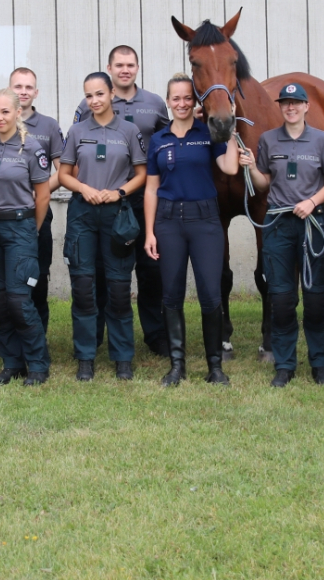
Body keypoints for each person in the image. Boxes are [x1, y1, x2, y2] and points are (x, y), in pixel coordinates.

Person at [143, 74, 240, 386]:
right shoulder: (158, 139)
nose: (182, 103)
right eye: (176, 98)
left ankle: (215, 367)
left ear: (194, 101)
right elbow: (151, 189)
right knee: (171, 295)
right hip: (168, 222)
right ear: (168, 101)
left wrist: (230, 130)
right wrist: (150, 232)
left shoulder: (207, 133)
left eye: (187, 98)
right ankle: (177, 366)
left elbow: (230, 167)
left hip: (205, 221)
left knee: (210, 294)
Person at [72, 46, 169, 357]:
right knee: (103, 272)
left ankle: (155, 335)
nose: (125, 69)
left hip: (144, 200)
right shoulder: (88, 104)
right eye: (119, 65)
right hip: (105, 203)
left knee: (150, 270)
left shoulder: (155, 103)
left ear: (137, 67)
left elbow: (167, 141)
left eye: (130, 65)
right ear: (110, 68)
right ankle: (96, 336)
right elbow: (76, 153)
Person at [239, 83, 324, 388]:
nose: (290, 108)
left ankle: (320, 364)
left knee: (315, 298)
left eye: (296, 103)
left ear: (306, 106)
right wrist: (252, 168)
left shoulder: (322, 139)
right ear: (280, 107)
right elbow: (264, 183)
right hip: (279, 224)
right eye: (285, 103)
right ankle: (284, 365)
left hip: (312, 223)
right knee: (281, 299)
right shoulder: (269, 139)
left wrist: (312, 202)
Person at [61, 72, 149, 381]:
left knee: (119, 290)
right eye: (89, 95)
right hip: (83, 214)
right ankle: (85, 357)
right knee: (84, 289)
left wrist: (119, 192)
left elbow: (142, 173)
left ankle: (123, 357)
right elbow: (64, 174)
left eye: (99, 93)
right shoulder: (76, 131)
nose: (94, 100)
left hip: (117, 216)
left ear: (112, 93)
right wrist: (83, 188)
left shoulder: (129, 130)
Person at [0, 67, 65, 360]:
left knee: (27, 286)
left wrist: (34, 197)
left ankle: (35, 351)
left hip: (28, 217)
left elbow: (60, 172)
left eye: (28, 87)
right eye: (18, 86)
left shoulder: (46, 129)